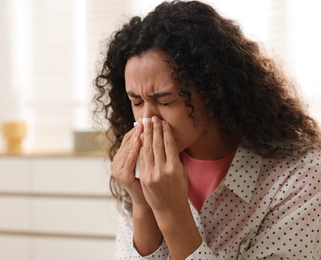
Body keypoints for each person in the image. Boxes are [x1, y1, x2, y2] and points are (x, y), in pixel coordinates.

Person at [93, 1, 321, 259]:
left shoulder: (300, 176)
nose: (147, 120)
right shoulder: (142, 172)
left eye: (165, 101)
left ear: (213, 92)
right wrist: (143, 206)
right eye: (136, 102)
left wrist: (171, 214)